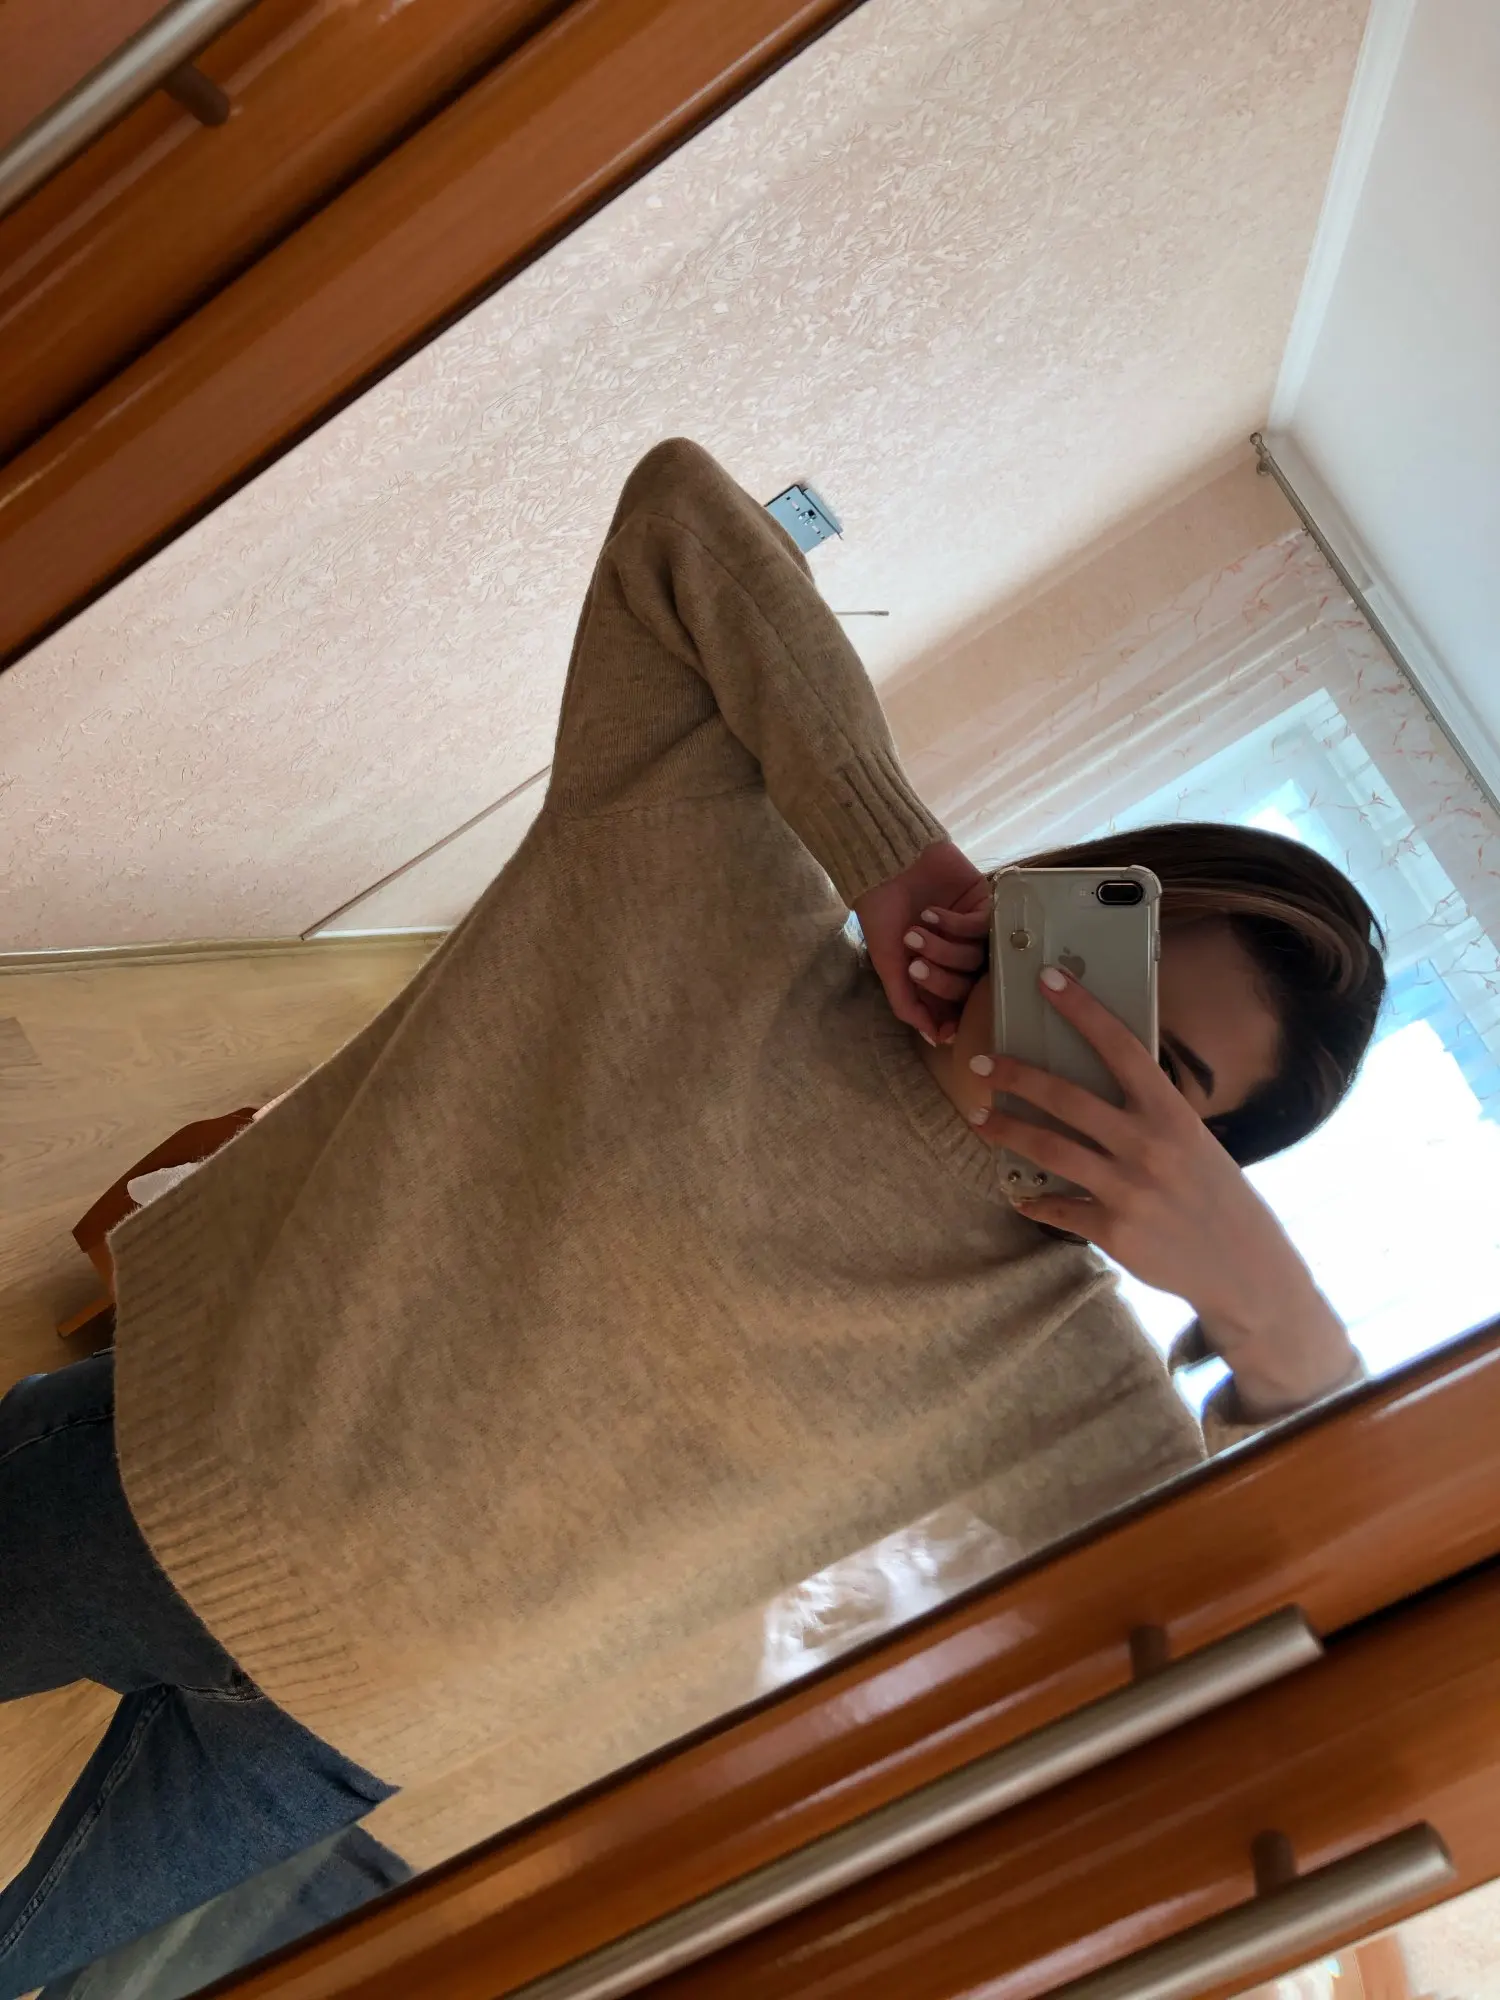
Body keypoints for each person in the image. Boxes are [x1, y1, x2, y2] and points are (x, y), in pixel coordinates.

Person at [1, 439, 1383, 1994]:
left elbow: (1268, 1667)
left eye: (1163, 1076)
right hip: (143, 1489)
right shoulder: (718, 890)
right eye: (1109, 970)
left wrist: (1279, 1324)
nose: (1087, 1038)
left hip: (345, 1746)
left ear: (1204, 1163)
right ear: (1070, 892)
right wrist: (894, 857)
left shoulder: (1069, 1385)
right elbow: (677, 523)